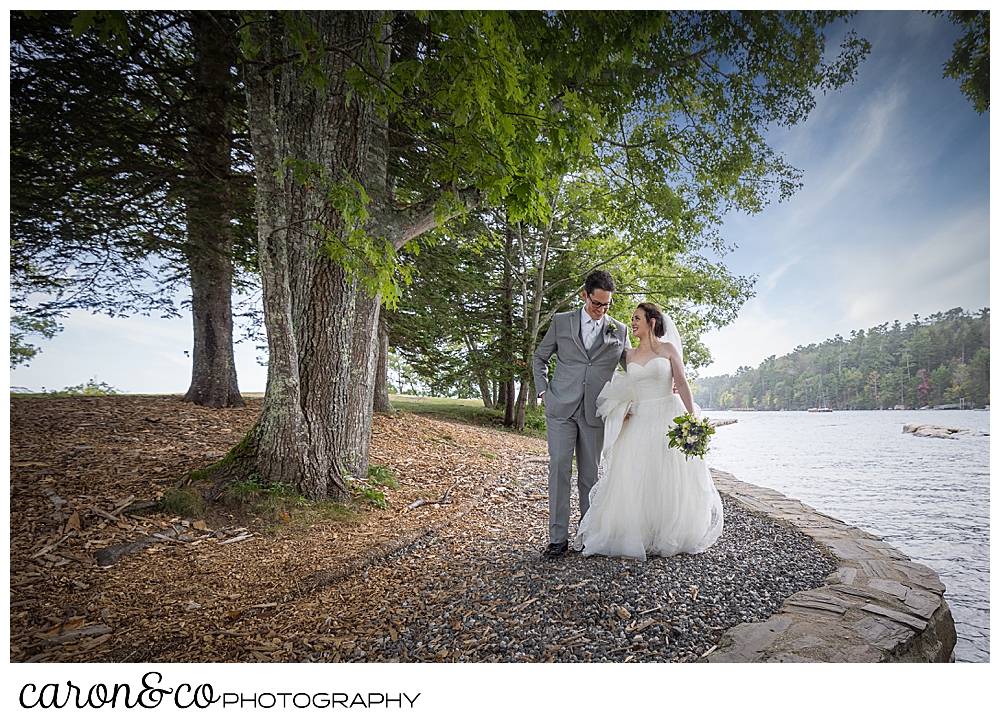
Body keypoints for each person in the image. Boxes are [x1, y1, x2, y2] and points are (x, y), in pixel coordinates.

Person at [573, 302, 724, 560]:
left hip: (668, 414)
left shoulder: (668, 350)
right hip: (639, 418)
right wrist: (623, 407)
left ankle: (666, 530)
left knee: (667, 472)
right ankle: (638, 531)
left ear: (652, 322)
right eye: (632, 319)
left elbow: (682, 383)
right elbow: (621, 386)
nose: (632, 323)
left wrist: (692, 418)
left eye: (637, 318)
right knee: (637, 472)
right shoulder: (629, 355)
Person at [531, 269, 629, 558]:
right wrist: (543, 392)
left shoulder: (619, 330)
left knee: (590, 476)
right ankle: (557, 539)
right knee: (559, 469)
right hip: (560, 407)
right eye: (597, 303)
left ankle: (588, 535)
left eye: (607, 305)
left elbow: (633, 367)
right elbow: (540, 357)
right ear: (585, 295)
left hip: (595, 412)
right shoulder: (562, 322)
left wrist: (662, 378)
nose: (601, 310)